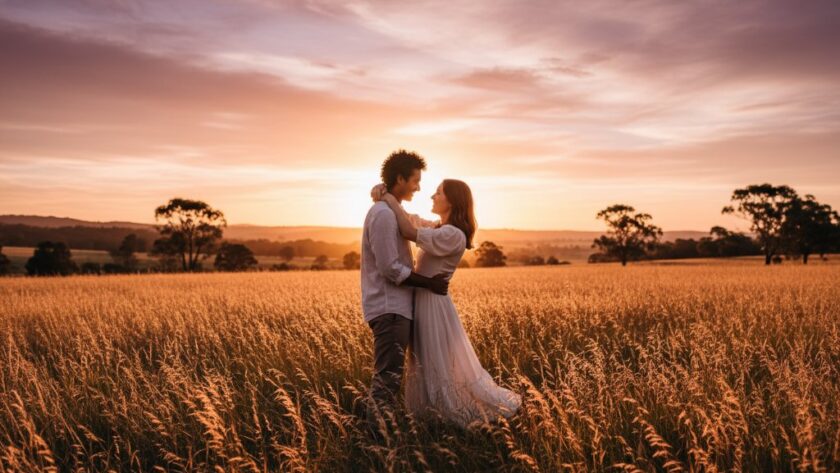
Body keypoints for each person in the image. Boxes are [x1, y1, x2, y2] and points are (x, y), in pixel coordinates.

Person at [372, 179, 521, 426]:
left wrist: (388, 200)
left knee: (434, 359)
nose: (432, 195)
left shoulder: (452, 234)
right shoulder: (442, 229)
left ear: (451, 200)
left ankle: (450, 414)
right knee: (427, 359)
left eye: (438, 192)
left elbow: (409, 231)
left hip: (432, 305)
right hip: (424, 301)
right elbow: (411, 221)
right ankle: (433, 416)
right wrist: (385, 195)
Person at [361, 150, 449, 421]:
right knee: (387, 379)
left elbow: (418, 225)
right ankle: (375, 440)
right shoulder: (384, 215)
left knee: (391, 378)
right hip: (390, 309)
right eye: (414, 180)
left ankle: (378, 434)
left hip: (397, 309)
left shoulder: (392, 212)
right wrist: (429, 284)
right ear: (400, 178)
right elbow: (390, 269)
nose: (419, 187)